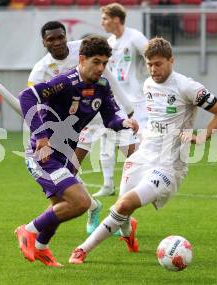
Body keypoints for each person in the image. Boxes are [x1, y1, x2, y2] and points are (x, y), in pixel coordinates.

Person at [68, 37, 217, 264]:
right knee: (122, 209)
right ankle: (128, 233)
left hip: (168, 165)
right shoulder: (148, 85)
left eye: (158, 64)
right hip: (143, 155)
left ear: (171, 61)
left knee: (124, 205)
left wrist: (202, 136)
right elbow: (157, 118)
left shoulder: (187, 87)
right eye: (149, 64)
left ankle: (82, 250)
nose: (153, 69)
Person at [15, 36, 139, 267]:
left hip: (64, 156)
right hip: (44, 155)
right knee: (80, 203)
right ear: (82, 60)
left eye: (104, 63)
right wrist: (41, 137)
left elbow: (110, 118)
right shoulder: (65, 81)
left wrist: (124, 123)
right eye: (96, 62)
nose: (101, 68)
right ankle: (27, 231)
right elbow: (27, 96)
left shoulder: (102, 86)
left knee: (61, 206)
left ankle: (41, 247)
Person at [86, 3, 149, 197]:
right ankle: (107, 185)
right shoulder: (110, 43)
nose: (102, 22)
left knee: (139, 143)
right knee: (106, 138)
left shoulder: (134, 36)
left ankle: (147, 179)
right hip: (115, 100)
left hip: (136, 101)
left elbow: (152, 54)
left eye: (104, 18)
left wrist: (151, 76)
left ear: (115, 19)